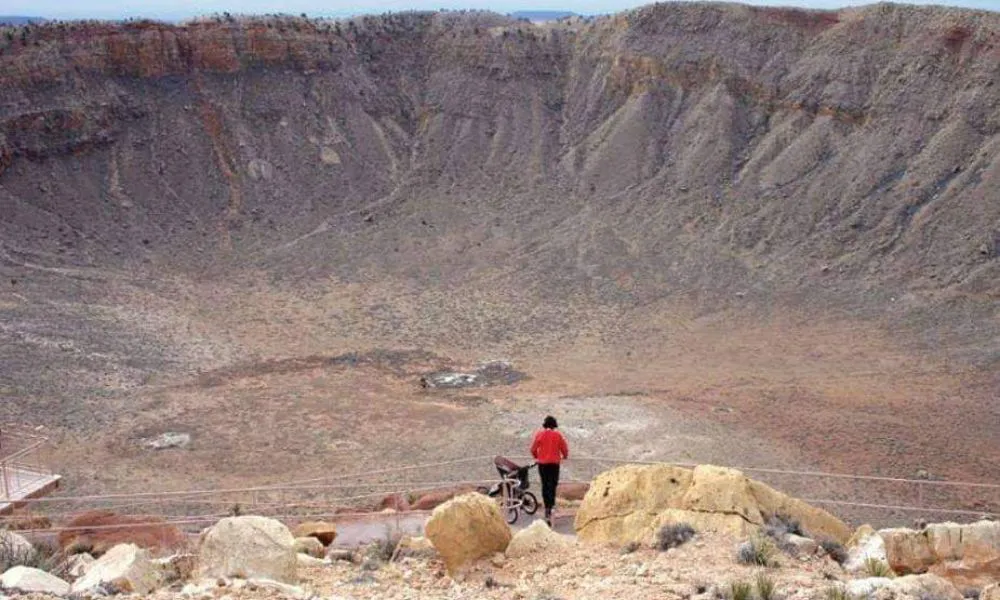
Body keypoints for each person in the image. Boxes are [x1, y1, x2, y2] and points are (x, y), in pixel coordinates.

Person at [530, 415, 569, 526]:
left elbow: (532, 449)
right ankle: (552, 506)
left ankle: (547, 507)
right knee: (553, 484)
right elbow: (564, 449)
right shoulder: (558, 435)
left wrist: (537, 456)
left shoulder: (540, 434)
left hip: (542, 464)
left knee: (544, 485)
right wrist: (564, 456)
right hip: (554, 464)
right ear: (554, 425)